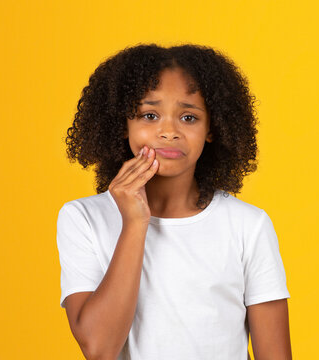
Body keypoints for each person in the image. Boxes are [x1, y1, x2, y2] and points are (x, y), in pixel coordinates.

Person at [56, 43, 292, 360]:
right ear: (121, 125)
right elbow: (99, 348)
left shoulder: (248, 226)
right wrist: (135, 223)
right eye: (149, 115)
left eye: (189, 117)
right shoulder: (82, 218)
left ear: (212, 128)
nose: (169, 131)